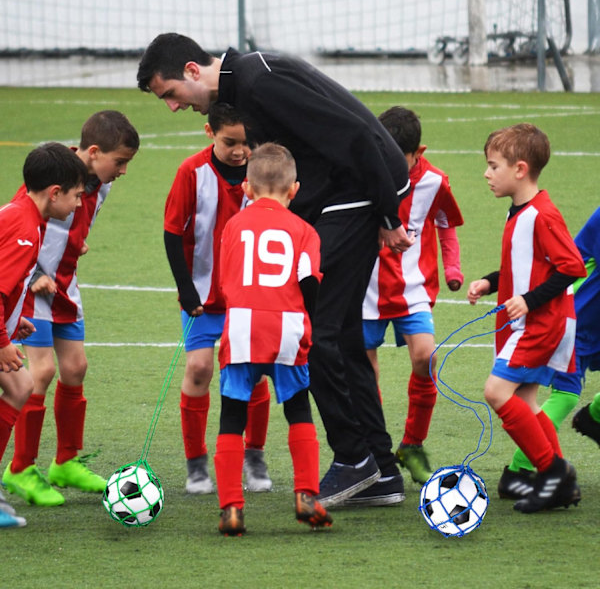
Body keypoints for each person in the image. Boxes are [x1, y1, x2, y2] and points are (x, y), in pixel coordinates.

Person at [137, 33, 414, 507]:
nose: (173, 107)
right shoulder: (246, 81)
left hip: (361, 195)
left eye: (170, 95)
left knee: (316, 331)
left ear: (190, 71)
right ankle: (382, 471)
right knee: (344, 335)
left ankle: (353, 459)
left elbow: (356, 134)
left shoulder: (258, 83)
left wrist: (388, 215)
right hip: (351, 195)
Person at [2, 112, 138, 508]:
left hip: (65, 285)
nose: (124, 171)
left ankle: (66, 461)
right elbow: (19, 225)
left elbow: (72, 230)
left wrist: (76, 246)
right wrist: (37, 274)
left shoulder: (101, 185)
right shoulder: (54, 173)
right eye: (120, 162)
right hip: (33, 286)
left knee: (75, 368)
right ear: (93, 153)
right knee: (39, 372)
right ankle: (21, 468)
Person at [467, 123, 587, 513]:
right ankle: (560, 481)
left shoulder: (542, 214)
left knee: (496, 392)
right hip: (533, 319)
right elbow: (525, 266)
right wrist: (490, 281)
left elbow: (571, 267)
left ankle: (552, 473)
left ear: (520, 169)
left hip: (541, 322)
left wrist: (530, 300)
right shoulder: (520, 212)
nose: (486, 173)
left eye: (493, 165)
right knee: (527, 402)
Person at [215, 142, 331, 535]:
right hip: (286, 327)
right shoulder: (304, 230)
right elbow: (308, 283)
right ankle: (306, 495)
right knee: (298, 408)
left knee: (232, 416)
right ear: (294, 190)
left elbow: (226, 281)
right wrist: (309, 324)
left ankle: (231, 507)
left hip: (243, 325)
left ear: (246, 190)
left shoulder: (234, 226)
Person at [163, 102, 272, 494]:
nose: (240, 151)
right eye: (230, 142)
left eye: (246, 142)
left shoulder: (262, 175)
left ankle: (254, 457)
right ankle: (196, 465)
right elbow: (173, 233)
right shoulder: (191, 173)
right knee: (198, 369)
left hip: (249, 295)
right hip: (202, 296)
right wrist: (186, 287)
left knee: (253, 371)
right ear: (210, 133)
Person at [360, 107, 464, 493]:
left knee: (425, 356)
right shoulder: (364, 175)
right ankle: (375, 450)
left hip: (413, 290)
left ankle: (412, 445)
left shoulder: (435, 182)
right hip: (365, 289)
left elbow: (445, 224)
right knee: (363, 375)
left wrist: (452, 267)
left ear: (418, 151)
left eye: (397, 158)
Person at [0, 142, 87, 528]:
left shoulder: (24, 217)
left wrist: (12, 321)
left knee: (20, 386)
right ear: (55, 193)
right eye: (76, 196)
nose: (80, 206)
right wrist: (3, 343)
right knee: (20, 384)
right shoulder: (25, 230)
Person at [498, 206, 600, 497]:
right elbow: (569, 262)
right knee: (565, 396)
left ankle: (594, 418)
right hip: (582, 321)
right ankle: (519, 472)